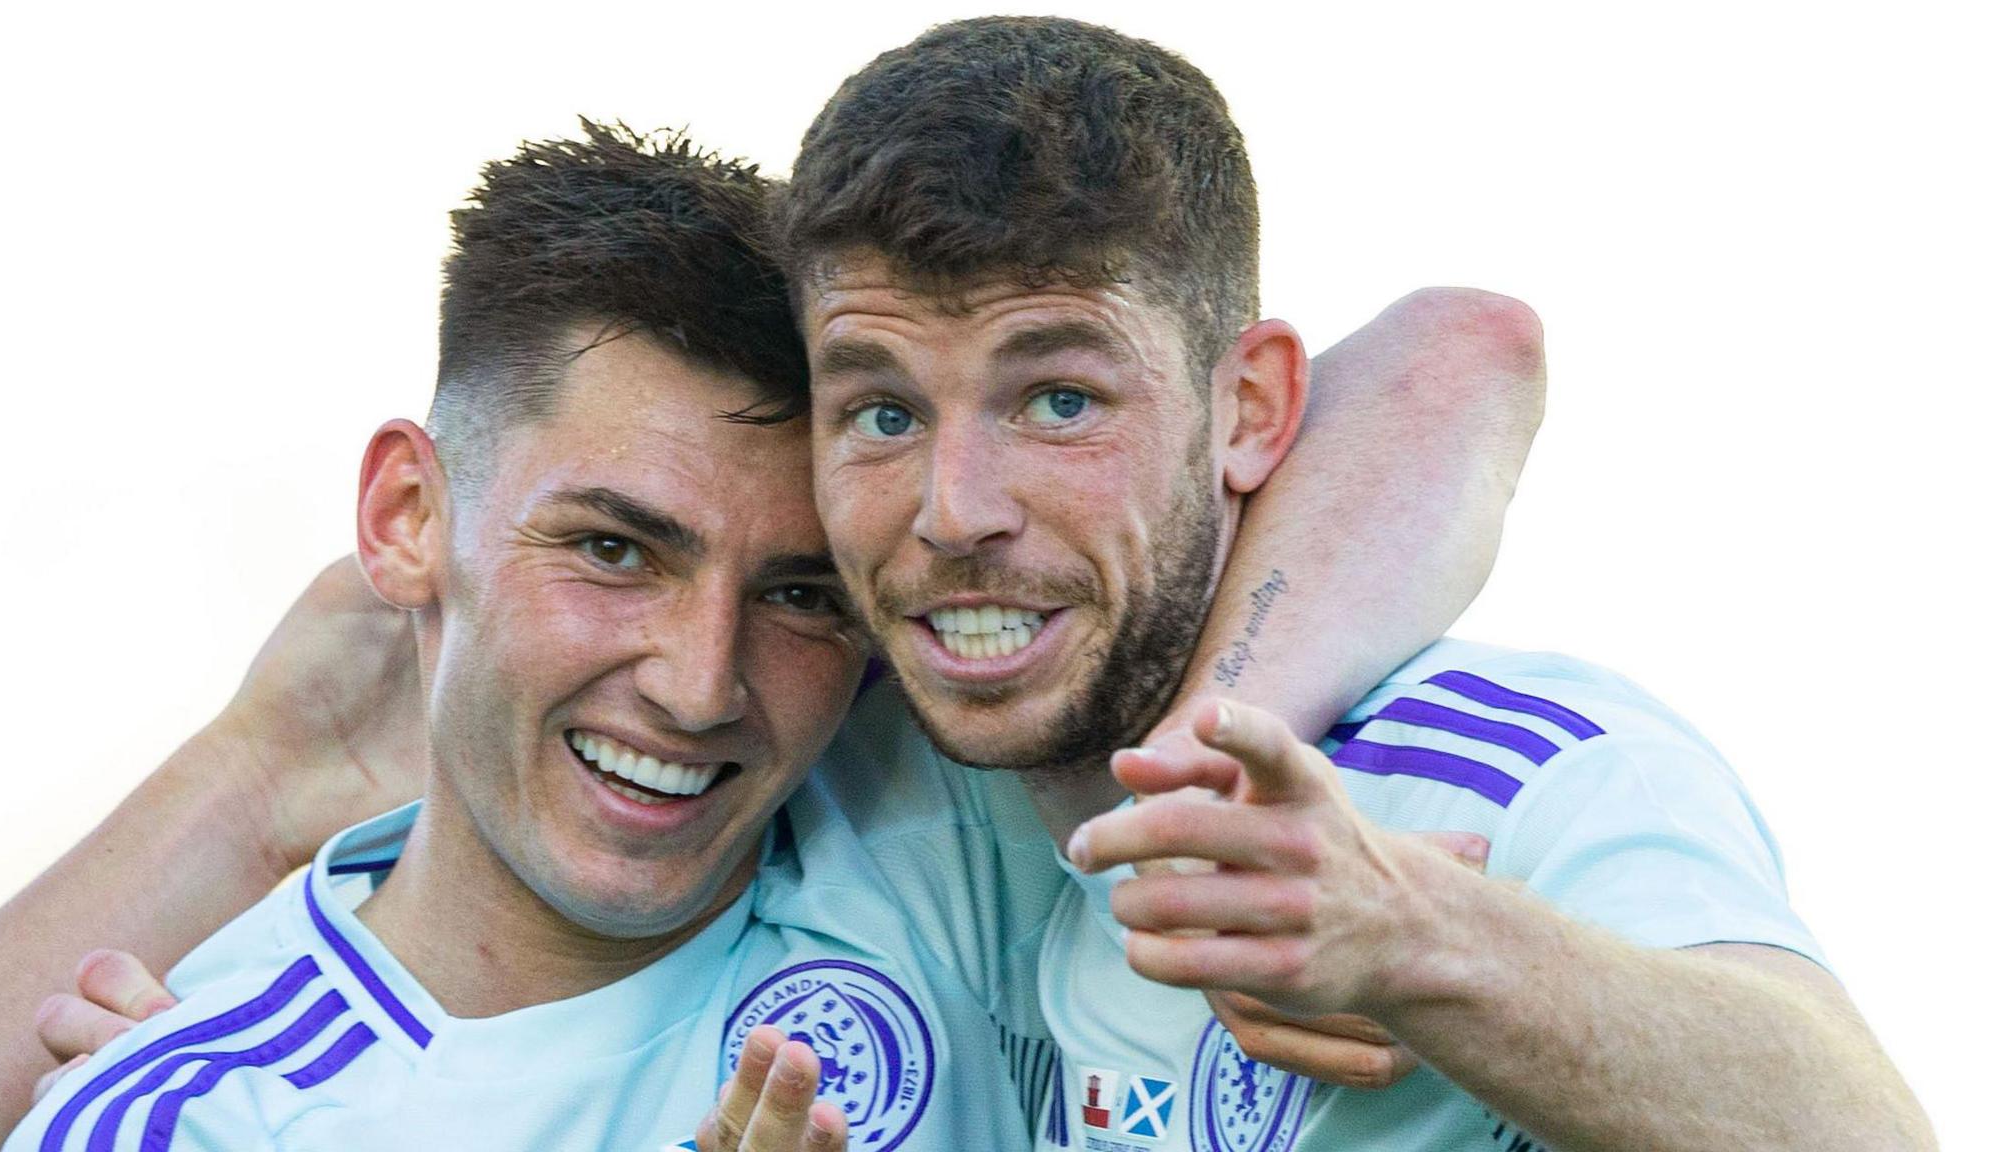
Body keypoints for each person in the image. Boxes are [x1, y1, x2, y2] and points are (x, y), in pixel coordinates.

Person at [0, 115, 1550, 1152]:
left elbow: (1456, 360)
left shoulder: (914, 812)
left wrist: (1199, 793)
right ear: (407, 519)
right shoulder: (197, 1110)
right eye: (612, 549)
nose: (700, 679)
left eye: (799, 589)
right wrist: (263, 767)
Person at [773, 15, 1931, 1151]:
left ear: (1252, 408)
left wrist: (1423, 940)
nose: (953, 511)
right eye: (882, 414)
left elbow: (1864, 1133)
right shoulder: (835, 749)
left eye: (1060, 401)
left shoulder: (1523, 776)